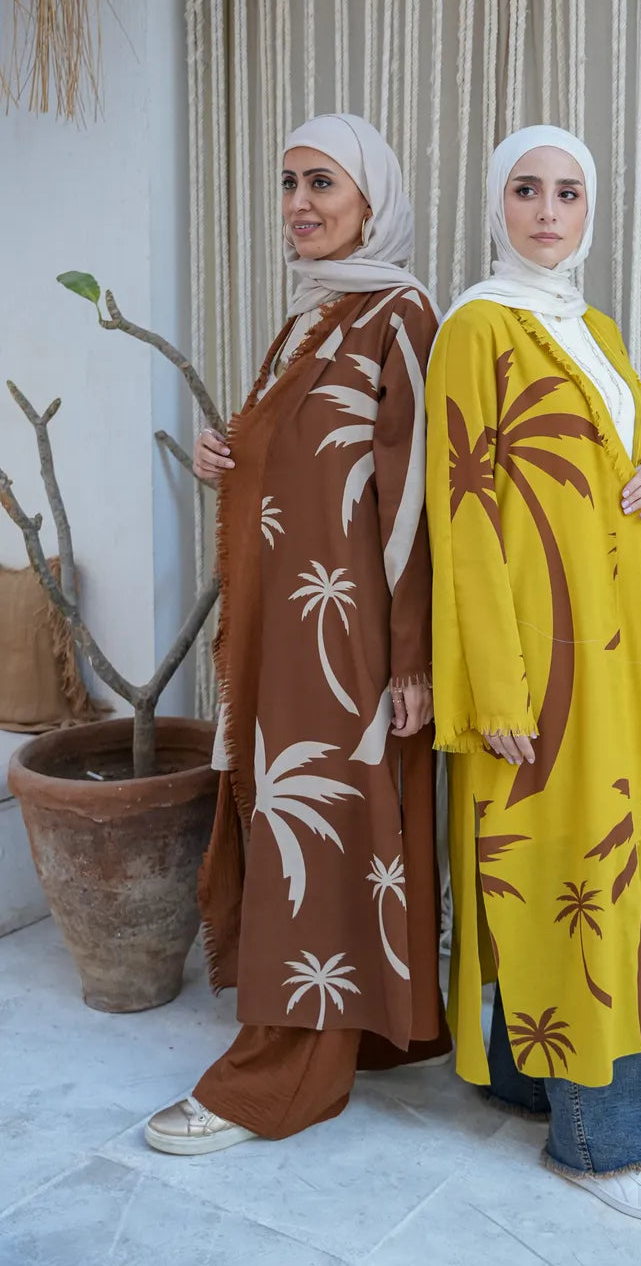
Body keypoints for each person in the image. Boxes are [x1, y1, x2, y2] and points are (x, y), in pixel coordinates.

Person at [145, 113, 450, 1156]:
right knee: (312, 824)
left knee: (317, 830)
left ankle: (280, 1078)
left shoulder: (400, 315)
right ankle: (356, 1030)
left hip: (348, 637)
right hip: (294, 629)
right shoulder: (312, 317)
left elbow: (417, 501)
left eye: (323, 182)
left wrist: (411, 659)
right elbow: (308, 462)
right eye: (287, 183)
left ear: (373, 198)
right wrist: (227, 458)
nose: (301, 204)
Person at [425, 125, 641, 1224]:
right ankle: (605, 1147)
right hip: (543, 667)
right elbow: (462, 515)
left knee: (572, 869)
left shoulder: (594, 327)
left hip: (620, 654)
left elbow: (638, 453)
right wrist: (495, 689)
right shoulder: (476, 328)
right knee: (582, 877)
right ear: (497, 204)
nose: (547, 212)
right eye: (527, 190)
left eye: (569, 192)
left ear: (591, 208)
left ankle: (525, 1080)